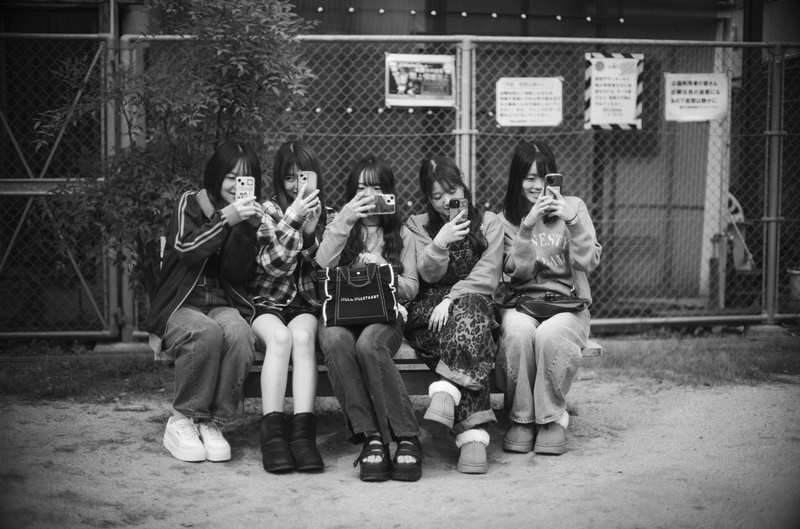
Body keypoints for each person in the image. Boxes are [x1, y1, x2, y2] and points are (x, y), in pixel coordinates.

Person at [146, 140, 264, 463]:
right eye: (230, 177)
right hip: (181, 304)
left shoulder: (245, 215)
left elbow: (236, 272)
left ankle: (212, 423)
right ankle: (183, 419)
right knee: (206, 332)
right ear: (216, 175)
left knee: (240, 334)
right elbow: (186, 249)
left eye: (244, 179)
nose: (236, 185)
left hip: (220, 303)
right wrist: (226, 219)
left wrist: (245, 230)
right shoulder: (190, 203)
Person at [315, 155, 422, 482]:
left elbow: (411, 288)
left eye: (376, 188)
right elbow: (322, 263)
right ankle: (371, 436)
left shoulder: (402, 234)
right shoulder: (341, 225)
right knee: (335, 340)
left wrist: (383, 270)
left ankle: (406, 436)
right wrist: (346, 218)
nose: (369, 195)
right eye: (361, 188)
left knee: (369, 344)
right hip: (341, 313)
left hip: (384, 315)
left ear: (388, 192)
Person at [496, 140, 602, 456]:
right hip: (523, 302)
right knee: (518, 332)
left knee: (549, 334)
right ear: (517, 180)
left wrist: (572, 221)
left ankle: (551, 417)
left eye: (544, 177)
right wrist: (527, 226)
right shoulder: (506, 219)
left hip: (569, 304)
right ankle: (522, 418)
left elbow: (587, 263)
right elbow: (518, 272)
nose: (537, 186)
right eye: (529, 178)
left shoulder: (574, 207)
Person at [404, 156, 503, 474]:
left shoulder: (489, 222)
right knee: (475, 340)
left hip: (472, 307)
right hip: (429, 316)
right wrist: (439, 243)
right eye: (436, 196)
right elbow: (426, 276)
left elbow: (488, 274)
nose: (446, 200)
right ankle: (473, 439)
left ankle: (447, 394)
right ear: (427, 197)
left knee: (472, 314)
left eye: (451, 190)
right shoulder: (417, 225)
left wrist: (452, 298)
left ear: (463, 184)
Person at [250, 140, 328, 474]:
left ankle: (303, 436)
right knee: (280, 339)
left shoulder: (323, 212)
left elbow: (321, 268)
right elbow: (274, 264)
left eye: (303, 177)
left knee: (303, 338)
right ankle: (273, 437)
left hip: (302, 305)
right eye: (289, 178)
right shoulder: (267, 210)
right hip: (265, 303)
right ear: (279, 180)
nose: (297, 185)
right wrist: (294, 219)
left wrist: (311, 234)